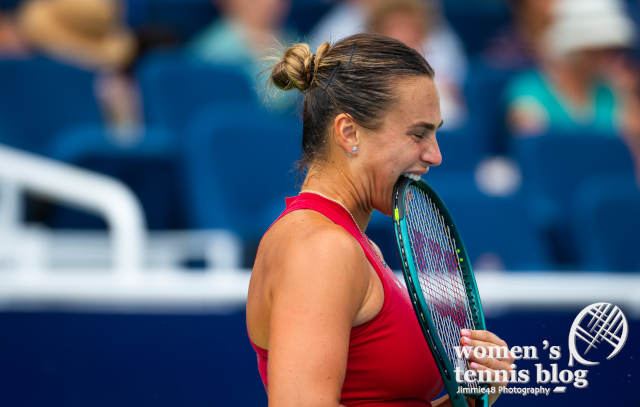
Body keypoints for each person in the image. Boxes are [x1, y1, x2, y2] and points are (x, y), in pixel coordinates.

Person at [246, 33, 514, 406]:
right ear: (348, 132)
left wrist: (463, 402)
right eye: (418, 133)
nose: (435, 155)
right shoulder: (321, 248)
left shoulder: (348, 243)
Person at [309, 0, 468, 129]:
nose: (401, 56)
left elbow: (451, 143)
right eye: (392, 44)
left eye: (410, 43)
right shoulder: (349, 94)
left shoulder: (440, 95)